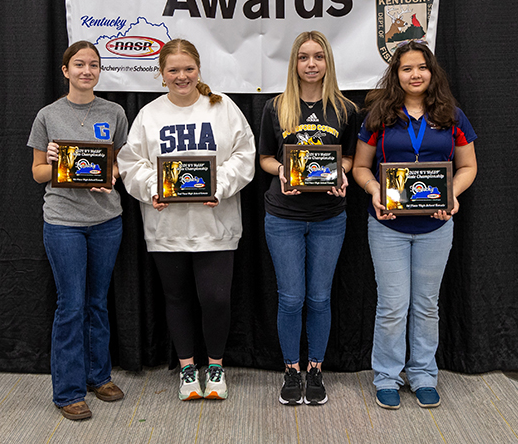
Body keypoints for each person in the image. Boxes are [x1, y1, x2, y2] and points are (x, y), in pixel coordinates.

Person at [118, 38, 255, 401]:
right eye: (173, 70)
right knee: (176, 298)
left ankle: (216, 366)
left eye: (188, 69)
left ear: (199, 70)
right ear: (161, 75)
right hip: (167, 227)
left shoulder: (223, 108)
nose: (182, 76)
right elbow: (131, 162)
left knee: (216, 299)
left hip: (216, 225)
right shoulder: (149, 115)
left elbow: (244, 155)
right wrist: (153, 189)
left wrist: (219, 186)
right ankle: (187, 369)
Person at [352, 39, 477, 410]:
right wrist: (374, 189)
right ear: (397, 74)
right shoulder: (379, 115)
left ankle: (423, 374)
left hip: (436, 226)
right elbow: (360, 167)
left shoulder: (452, 115)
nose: (415, 74)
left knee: (425, 305)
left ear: (431, 71)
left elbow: (469, 166)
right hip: (387, 225)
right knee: (392, 305)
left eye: (421, 67)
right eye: (406, 68)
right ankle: (387, 376)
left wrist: (452, 194)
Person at [28, 41, 129, 421]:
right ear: (65, 70)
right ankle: (68, 391)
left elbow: (120, 163)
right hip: (63, 223)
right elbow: (37, 173)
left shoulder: (114, 112)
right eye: (80, 64)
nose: (87, 71)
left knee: (97, 303)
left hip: (107, 221)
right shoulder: (48, 116)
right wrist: (55, 163)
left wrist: (111, 176)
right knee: (70, 306)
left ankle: (98, 376)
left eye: (94, 65)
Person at [258, 31, 359, 406]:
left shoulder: (346, 109)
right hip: (283, 215)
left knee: (318, 298)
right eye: (303, 57)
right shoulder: (276, 107)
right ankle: (290, 370)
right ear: (294, 63)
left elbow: (348, 157)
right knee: (291, 298)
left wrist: (343, 173)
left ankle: (315, 370)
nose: (311, 64)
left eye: (318, 57)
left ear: (328, 62)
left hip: (329, 216)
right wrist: (282, 170)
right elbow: (265, 156)